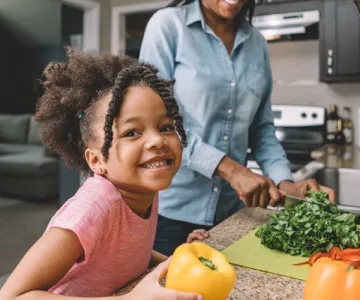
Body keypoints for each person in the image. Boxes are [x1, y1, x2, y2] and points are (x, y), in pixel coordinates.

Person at [0, 49, 204, 300]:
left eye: (165, 127)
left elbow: (126, 248)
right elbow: (12, 296)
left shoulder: (143, 188)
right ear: (96, 161)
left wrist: (177, 260)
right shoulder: (93, 208)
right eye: (132, 132)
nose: (157, 140)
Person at [139, 0, 336, 256]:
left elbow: (262, 130)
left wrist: (286, 184)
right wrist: (232, 170)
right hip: (171, 213)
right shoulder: (168, 26)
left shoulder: (256, 43)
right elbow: (158, 123)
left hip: (232, 213)